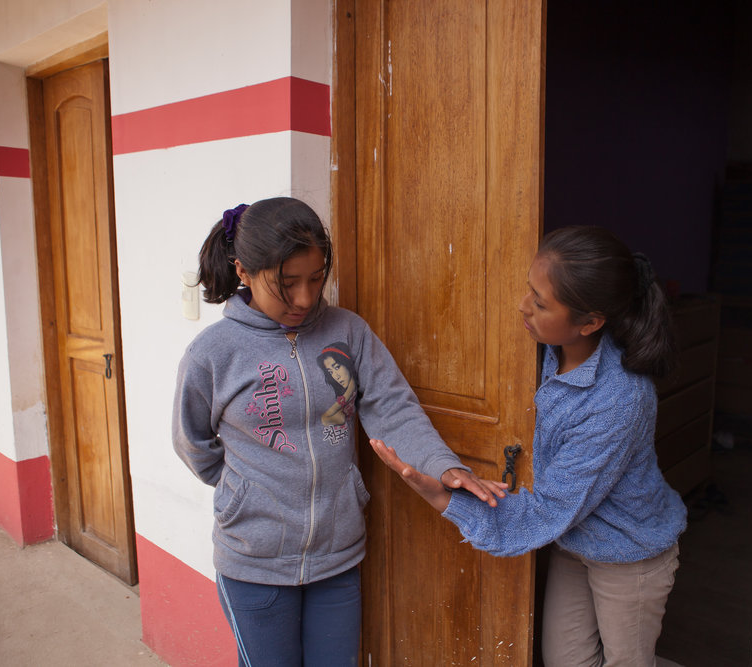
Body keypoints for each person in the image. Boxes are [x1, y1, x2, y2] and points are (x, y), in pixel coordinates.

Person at [172, 196, 505, 667]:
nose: (306, 299)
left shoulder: (347, 330)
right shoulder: (212, 353)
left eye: (315, 278)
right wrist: (242, 490)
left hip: (338, 558)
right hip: (255, 563)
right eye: (286, 285)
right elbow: (193, 443)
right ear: (243, 271)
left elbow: (391, 407)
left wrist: (442, 465)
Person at [370, 225, 687, 667]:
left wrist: (442, 497)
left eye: (540, 303)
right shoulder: (550, 348)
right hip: (577, 540)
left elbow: (546, 511)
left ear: (591, 322)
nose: (523, 306)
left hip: (629, 553)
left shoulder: (618, 400)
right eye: (528, 290)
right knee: (566, 661)